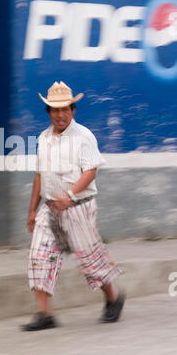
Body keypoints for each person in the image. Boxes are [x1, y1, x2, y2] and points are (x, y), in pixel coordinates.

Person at [22, 81, 125, 331]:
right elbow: (39, 175)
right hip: (50, 209)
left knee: (91, 262)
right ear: (48, 112)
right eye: (55, 110)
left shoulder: (83, 137)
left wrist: (69, 195)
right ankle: (45, 314)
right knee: (38, 257)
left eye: (65, 109)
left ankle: (113, 298)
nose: (60, 114)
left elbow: (90, 172)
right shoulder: (44, 138)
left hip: (79, 207)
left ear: (73, 110)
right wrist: (32, 210)